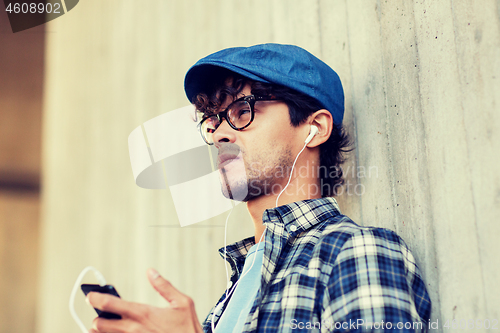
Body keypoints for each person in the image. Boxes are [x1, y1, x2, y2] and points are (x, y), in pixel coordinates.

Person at [87, 43, 431, 333]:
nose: (220, 134)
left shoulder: (355, 253)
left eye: (241, 111)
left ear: (315, 127)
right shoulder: (230, 297)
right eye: (212, 120)